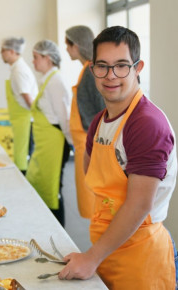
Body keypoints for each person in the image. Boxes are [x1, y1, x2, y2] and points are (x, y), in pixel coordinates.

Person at [58, 26, 178, 289]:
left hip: (140, 256)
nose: (111, 76)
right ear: (92, 70)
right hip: (106, 248)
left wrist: (91, 257)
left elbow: (139, 205)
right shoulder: (100, 122)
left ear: (138, 68)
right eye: (102, 66)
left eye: (122, 66)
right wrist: (94, 255)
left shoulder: (146, 123)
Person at [26, 39, 72, 226]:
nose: (34, 62)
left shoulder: (56, 82)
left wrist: (71, 144)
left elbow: (64, 117)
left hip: (54, 144)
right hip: (45, 145)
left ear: (47, 58)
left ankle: (59, 234)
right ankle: (46, 227)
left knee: (53, 191)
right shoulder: (47, 80)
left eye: (36, 57)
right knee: (41, 185)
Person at [65, 25, 106, 219]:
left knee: (92, 200)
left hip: (90, 143)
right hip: (83, 142)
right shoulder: (86, 69)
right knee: (88, 197)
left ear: (77, 45)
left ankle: (99, 246)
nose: (66, 49)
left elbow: (100, 109)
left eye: (68, 44)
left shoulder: (91, 71)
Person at [0, 37, 38, 173]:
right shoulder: (16, 69)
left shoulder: (19, 71)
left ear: (11, 51)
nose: (1, 53)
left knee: (24, 158)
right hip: (22, 120)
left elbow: (27, 97)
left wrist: (38, 116)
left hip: (26, 121)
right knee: (22, 155)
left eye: (3, 50)